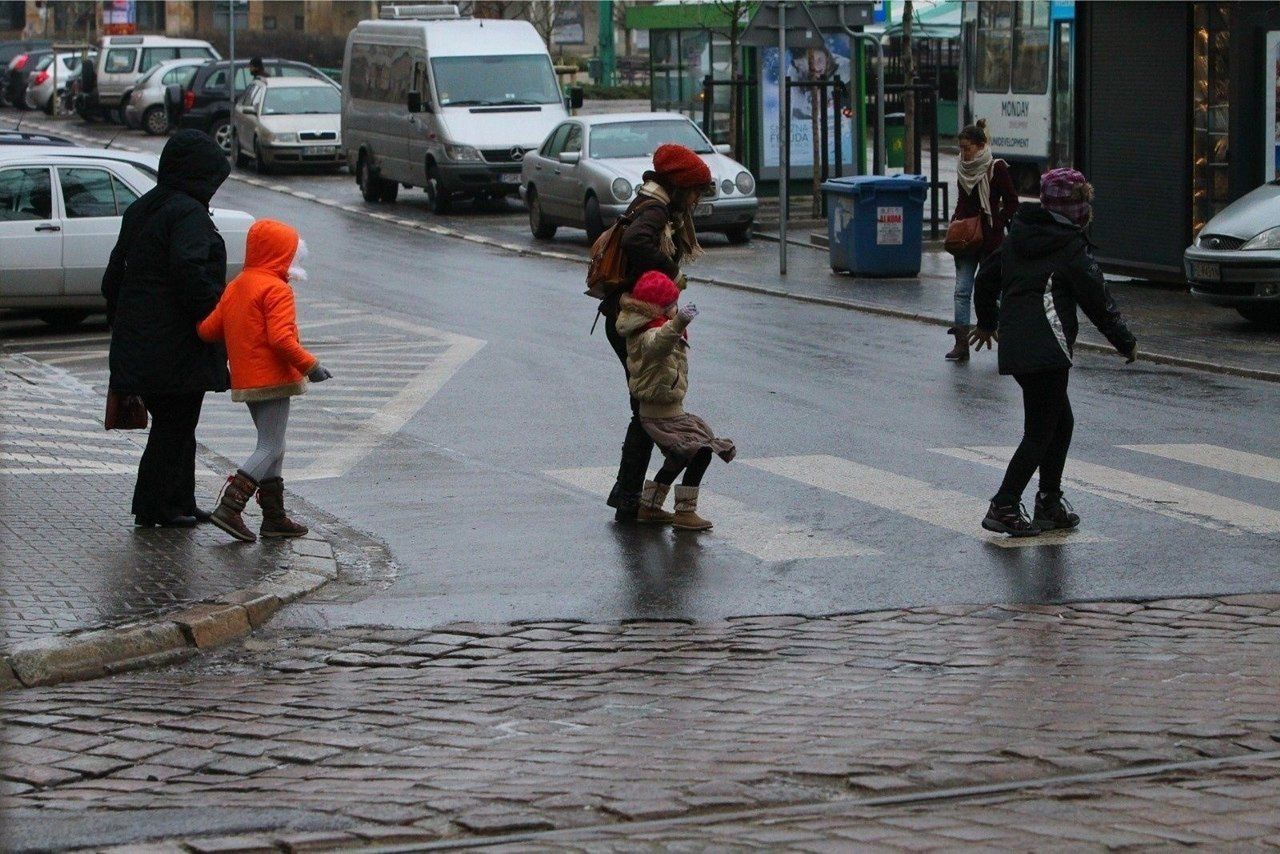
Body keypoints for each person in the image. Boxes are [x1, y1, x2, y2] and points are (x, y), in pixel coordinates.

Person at [970, 168, 1137, 536]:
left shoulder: (1019, 236)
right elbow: (1097, 299)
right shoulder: (1069, 246)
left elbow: (985, 279)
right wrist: (1124, 341)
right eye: (1083, 202)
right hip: (1048, 348)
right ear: (1074, 208)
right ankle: (1004, 504)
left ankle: (1048, 502)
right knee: (1040, 431)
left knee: (1061, 423)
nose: (1087, 209)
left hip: (1019, 346)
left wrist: (987, 321)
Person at [102, 129, 232, 528]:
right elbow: (190, 273)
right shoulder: (188, 213)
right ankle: (155, 507)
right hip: (177, 343)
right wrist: (213, 317)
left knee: (177, 424)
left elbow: (112, 278)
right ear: (199, 174)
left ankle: (180, 501)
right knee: (175, 425)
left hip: (142, 340)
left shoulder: (143, 208)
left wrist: (125, 322)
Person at [196, 219, 332, 543]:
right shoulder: (276, 289)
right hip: (273, 378)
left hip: (246, 378)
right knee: (269, 446)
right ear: (281, 254)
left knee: (274, 445)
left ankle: (274, 517)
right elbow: (281, 339)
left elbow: (208, 330)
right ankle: (231, 507)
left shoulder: (237, 285)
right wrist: (311, 366)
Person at [601, 143, 711, 523]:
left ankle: (636, 499)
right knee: (646, 412)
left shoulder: (651, 203)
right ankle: (636, 499)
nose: (695, 200)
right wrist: (672, 273)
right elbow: (636, 241)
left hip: (634, 315)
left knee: (645, 410)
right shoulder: (655, 209)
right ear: (678, 185)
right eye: (694, 192)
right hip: (635, 319)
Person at [615, 270, 735, 531]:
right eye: (672, 305)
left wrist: (676, 323)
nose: (676, 309)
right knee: (700, 451)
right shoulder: (646, 333)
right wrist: (678, 322)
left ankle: (650, 506)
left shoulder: (654, 326)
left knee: (681, 455)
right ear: (658, 308)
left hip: (670, 411)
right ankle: (685, 512)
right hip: (658, 415)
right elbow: (659, 344)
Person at [947, 119, 1018, 362]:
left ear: (980, 146)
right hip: (966, 239)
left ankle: (1005, 338)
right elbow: (962, 200)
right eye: (961, 148)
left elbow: (1012, 202)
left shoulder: (996, 168)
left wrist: (997, 220)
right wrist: (956, 221)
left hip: (990, 241)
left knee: (993, 291)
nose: (963, 153)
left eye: (967, 148)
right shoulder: (962, 168)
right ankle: (961, 343)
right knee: (962, 290)